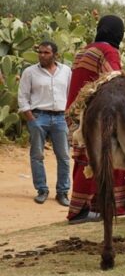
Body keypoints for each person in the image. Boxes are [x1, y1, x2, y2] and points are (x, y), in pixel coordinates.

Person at [66, 15, 125, 224]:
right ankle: (109, 206)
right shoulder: (108, 52)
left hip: (76, 112)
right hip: (97, 114)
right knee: (113, 157)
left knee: (84, 159)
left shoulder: (84, 50)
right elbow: (113, 80)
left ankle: (82, 207)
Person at [18, 41, 72, 205]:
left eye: (46, 53)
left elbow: (71, 93)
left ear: (55, 54)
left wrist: (69, 115)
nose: (42, 55)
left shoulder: (66, 71)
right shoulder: (30, 72)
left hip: (61, 118)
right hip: (38, 116)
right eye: (40, 52)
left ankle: (62, 192)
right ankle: (42, 190)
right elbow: (22, 95)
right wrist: (30, 117)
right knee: (37, 156)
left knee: (63, 156)